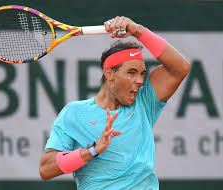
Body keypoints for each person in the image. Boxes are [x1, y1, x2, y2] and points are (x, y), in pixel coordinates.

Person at [39, 16, 190, 190]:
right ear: (110, 74)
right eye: (132, 73)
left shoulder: (144, 102)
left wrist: (138, 31)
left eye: (142, 73)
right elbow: (46, 169)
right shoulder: (74, 113)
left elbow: (180, 67)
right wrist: (93, 150)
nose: (140, 80)